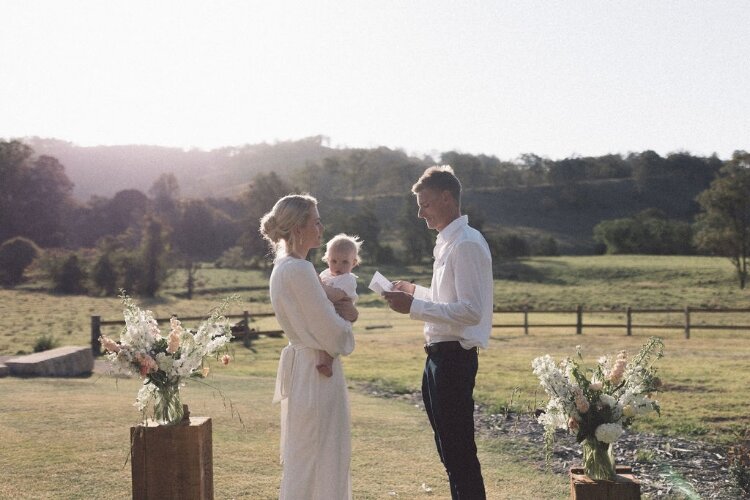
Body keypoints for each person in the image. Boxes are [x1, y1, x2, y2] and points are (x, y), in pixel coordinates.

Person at [383, 165, 493, 500]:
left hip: (454, 358)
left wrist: (412, 308)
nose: (420, 213)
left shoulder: (467, 244)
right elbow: (450, 301)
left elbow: (471, 311)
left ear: (447, 198)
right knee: (448, 451)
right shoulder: (447, 242)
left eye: (425, 204)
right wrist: (416, 292)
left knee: (459, 453)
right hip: (436, 358)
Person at [260, 194, 356, 500]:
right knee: (322, 454)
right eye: (315, 221)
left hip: (305, 368)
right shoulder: (299, 270)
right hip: (316, 373)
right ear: (299, 228)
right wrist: (348, 324)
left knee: (307, 454)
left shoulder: (284, 267)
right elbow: (333, 333)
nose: (321, 226)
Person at [316, 233, 362, 378]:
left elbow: (335, 295)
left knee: (332, 340)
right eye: (334, 261)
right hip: (329, 315)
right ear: (327, 259)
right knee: (324, 338)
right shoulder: (325, 274)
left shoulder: (348, 279)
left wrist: (317, 284)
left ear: (353, 263)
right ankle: (324, 361)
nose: (338, 266)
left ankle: (327, 364)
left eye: (344, 262)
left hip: (341, 319)